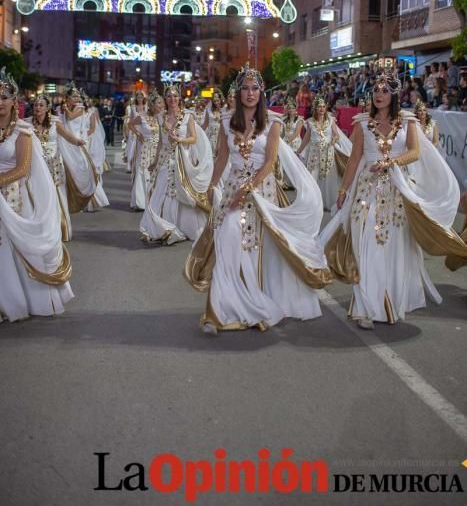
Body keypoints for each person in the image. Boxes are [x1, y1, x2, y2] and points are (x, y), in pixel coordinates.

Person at [185, 63, 332, 335]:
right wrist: (211, 185)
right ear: (238, 93)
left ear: (261, 92)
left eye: (255, 88)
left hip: (261, 196)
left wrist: (249, 188)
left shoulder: (273, 123)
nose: (250, 93)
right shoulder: (227, 121)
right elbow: (222, 157)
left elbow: (270, 162)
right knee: (228, 242)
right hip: (231, 193)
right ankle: (218, 312)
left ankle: (251, 304)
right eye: (245, 89)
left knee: (253, 250)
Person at [320, 71, 467, 329]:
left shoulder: (408, 121)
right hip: (366, 192)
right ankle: (365, 307)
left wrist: (391, 162)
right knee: (366, 242)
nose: (379, 95)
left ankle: (388, 300)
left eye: (385, 90)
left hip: (397, 193)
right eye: (376, 90)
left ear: (395, 95)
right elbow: (354, 159)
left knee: (392, 247)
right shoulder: (362, 123)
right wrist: (343, 191)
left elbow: (415, 152)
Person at [0, 67, 73, 322]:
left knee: (15, 246)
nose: (0, 103)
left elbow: (21, 169)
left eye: (4, 98)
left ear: (14, 102)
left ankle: (24, 299)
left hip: (15, 197)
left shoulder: (22, 131)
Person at [140, 83, 213, 245]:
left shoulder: (188, 116)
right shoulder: (160, 117)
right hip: (165, 160)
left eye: (175, 96)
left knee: (181, 191)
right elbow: (160, 142)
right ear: (165, 99)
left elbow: (194, 138)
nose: (172, 99)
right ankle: (164, 227)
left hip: (182, 160)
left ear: (179, 98)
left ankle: (182, 227)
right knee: (161, 190)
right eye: (169, 96)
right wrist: (154, 161)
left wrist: (180, 140)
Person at [26, 94, 96, 240]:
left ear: (48, 108)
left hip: (54, 166)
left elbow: (67, 136)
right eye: (35, 105)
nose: (38, 107)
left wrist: (78, 142)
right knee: (38, 196)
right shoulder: (27, 123)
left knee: (57, 196)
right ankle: (40, 230)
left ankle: (60, 229)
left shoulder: (55, 122)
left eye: (41, 105)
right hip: (36, 167)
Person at [296, 96, 352, 211]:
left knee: (327, 178)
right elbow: (306, 138)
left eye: (323, 107)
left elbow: (336, 134)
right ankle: (312, 202)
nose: (321, 109)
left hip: (328, 153)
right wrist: (298, 151)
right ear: (315, 109)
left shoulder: (330, 120)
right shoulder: (310, 122)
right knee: (313, 176)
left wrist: (334, 140)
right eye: (319, 107)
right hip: (314, 153)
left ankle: (326, 202)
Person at [60, 83, 109, 211]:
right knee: (69, 170)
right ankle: (70, 199)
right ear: (67, 98)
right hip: (66, 141)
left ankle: (89, 200)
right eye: (74, 96)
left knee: (81, 170)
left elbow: (70, 117)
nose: (76, 99)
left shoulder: (80, 108)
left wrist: (65, 108)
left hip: (78, 142)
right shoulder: (63, 109)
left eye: (78, 97)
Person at [130, 89, 163, 211]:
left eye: (161, 103)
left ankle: (154, 200)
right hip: (145, 148)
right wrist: (138, 134)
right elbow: (130, 124)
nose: (161, 106)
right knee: (142, 172)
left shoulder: (162, 117)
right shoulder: (142, 116)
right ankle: (140, 202)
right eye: (158, 103)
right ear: (152, 104)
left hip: (158, 149)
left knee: (156, 173)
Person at [203, 90, 224, 155]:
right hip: (211, 136)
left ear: (221, 100)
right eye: (214, 101)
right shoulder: (208, 110)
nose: (216, 102)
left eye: (218, 100)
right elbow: (205, 124)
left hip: (221, 136)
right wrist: (197, 131)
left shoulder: (225, 110)